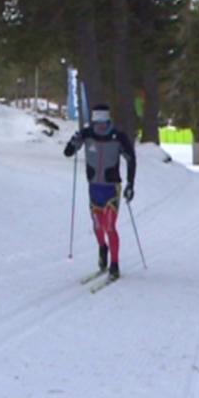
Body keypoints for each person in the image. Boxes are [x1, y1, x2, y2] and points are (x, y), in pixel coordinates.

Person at [64, 103, 136, 279]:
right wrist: (73, 142)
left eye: (103, 122)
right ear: (94, 121)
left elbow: (131, 158)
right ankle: (102, 248)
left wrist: (130, 184)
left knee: (110, 226)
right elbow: (68, 153)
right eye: (97, 123)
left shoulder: (118, 136)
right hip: (94, 188)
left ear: (108, 120)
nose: (100, 127)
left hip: (112, 188)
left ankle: (115, 265)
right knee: (97, 226)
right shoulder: (87, 134)